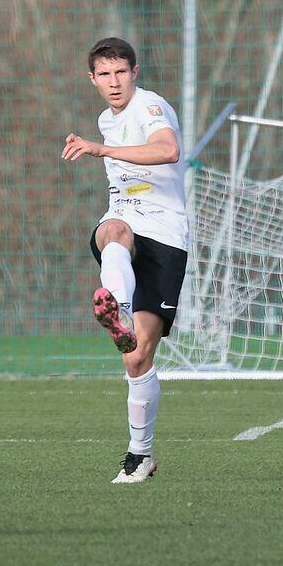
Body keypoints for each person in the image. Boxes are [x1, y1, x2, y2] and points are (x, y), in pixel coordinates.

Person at [62, 37, 188, 484]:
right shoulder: (105, 119)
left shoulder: (150, 106)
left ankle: (142, 453)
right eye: (104, 74)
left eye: (120, 72)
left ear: (135, 72)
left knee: (137, 358)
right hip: (125, 223)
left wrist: (103, 150)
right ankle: (116, 305)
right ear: (92, 79)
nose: (114, 82)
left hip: (166, 235)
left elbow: (167, 150)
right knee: (112, 230)